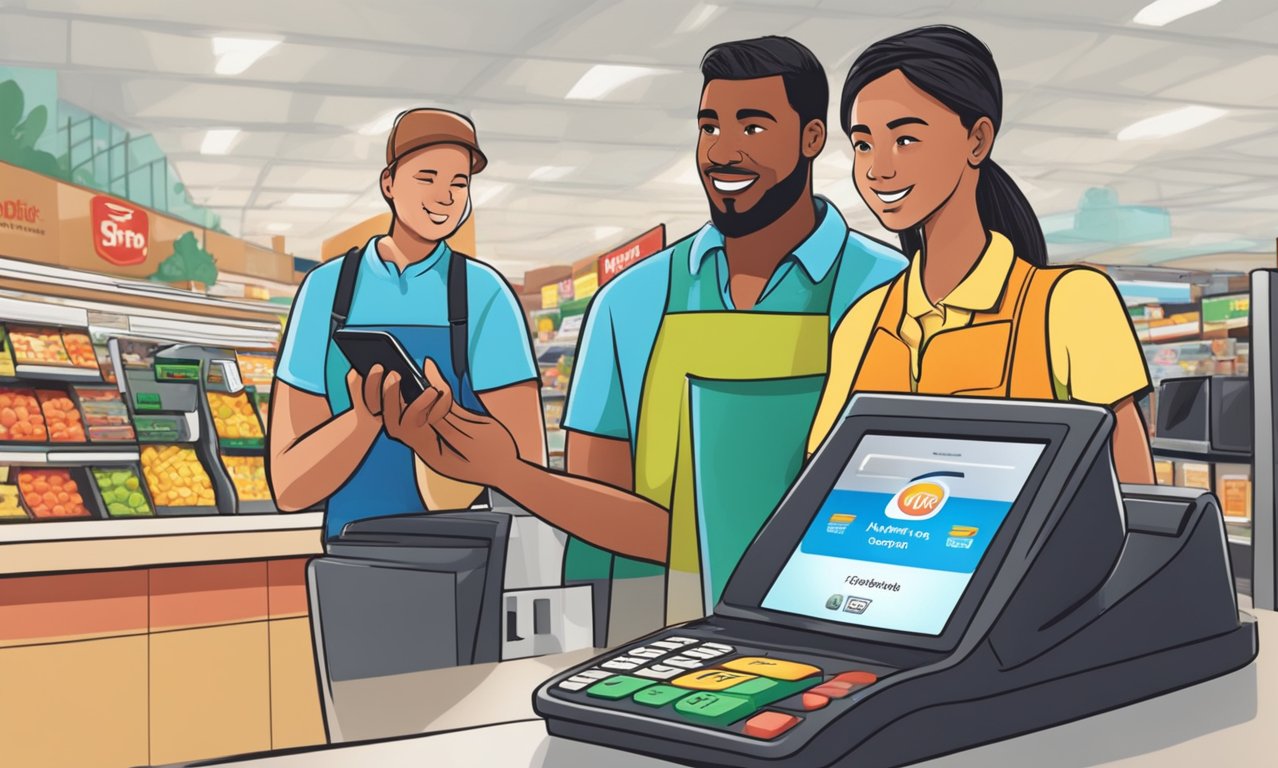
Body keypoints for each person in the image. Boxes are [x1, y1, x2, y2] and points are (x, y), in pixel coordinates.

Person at [381, 37, 907, 644]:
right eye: (709, 127)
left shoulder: (888, 293)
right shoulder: (628, 303)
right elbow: (599, 513)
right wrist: (505, 471)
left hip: (835, 642)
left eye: (753, 128)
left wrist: (511, 472)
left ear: (812, 138)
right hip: (648, 645)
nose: (723, 151)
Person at [807, 26, 1155, 483]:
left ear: (978, 140)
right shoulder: (864, 322)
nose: (878, 169)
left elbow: (1136, 502)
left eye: (905, 139)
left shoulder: (1070, 304)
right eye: (863, 144)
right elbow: (822, 486)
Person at [268, 108, 545, 540]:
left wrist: (445, 424)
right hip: (352, 553)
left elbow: (529, 475)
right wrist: (364, 420)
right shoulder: (326, 291)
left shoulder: (484, 294)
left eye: (460, 183)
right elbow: (289, 486)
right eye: (428, 177)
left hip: (469, 553)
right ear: (389, 183)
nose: (446, 196)